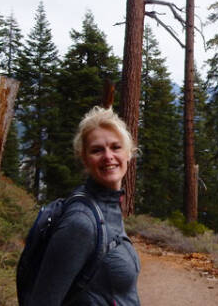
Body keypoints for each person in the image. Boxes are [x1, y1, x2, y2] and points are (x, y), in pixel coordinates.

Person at [26, 106, 141, 305]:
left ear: (129, 153)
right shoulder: (81, 223)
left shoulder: (109, 207)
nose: (108, 156)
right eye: (97, 150)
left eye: (116, 147)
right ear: (84, 159)